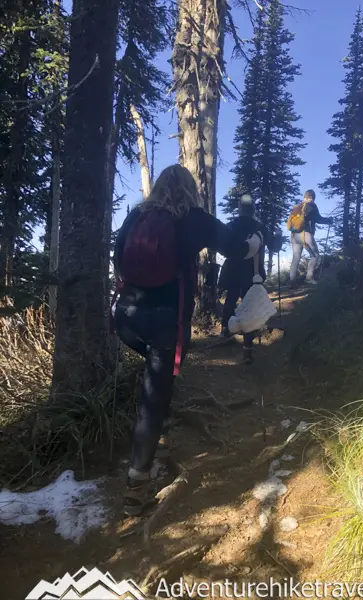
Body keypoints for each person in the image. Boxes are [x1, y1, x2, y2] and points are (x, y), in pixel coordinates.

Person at [112, 165, 263, 516]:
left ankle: (159, 435)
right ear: (190, 190)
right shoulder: (193, 219)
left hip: (126, 318)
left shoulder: (137, 214)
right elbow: (236, 247)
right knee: (154, 393)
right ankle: (136, 486)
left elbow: (117, 257)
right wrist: (253, 242)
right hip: (165, 320)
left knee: (160, 377)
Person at [218, 195, 283, 365]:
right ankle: (247, 348)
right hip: (253, 274)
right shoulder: (260, 227)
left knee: (230, 301)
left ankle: (226, 330)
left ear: (240, 208)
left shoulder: (231, 225)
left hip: (232, 271)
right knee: (251, 308)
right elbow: (274, 247)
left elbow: (222, 246)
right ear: (253, 209)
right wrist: (279, 235)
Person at [287, 189, 332, 287]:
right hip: (306, 234)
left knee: (296, 257)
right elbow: (318, 219)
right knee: (315, 255)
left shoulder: (299, 206)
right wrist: (329, 220)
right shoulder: (311, 205)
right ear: (312, 197)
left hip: (294, 235)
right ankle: (309, 277)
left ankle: (292, 281)